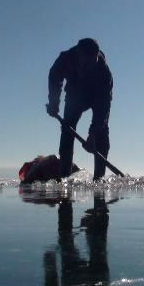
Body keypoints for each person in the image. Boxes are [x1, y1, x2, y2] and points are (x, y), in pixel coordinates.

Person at [46, 38, 113, 180]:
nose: (87, 67)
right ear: (78, 55)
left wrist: (93, 134)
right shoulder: (66, 58)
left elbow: (103, 109)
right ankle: (65, 175)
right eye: (84, 63)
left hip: (97, 96)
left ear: (96, 57)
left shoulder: (105, 74)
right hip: (75, 95)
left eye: (91, 63)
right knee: (67, 129)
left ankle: (99, 178)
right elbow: (54, 76)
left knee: (101, 133)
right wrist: (53, 103)